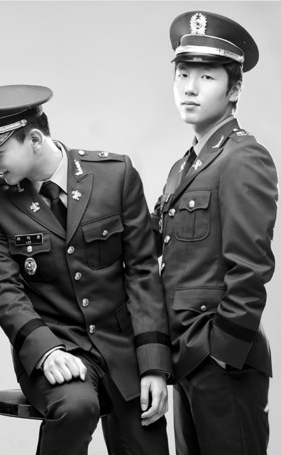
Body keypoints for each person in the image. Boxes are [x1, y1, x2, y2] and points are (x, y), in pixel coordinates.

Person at [0, 85, 172, 455]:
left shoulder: (115, 175)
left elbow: (142, 271)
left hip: (122, 347)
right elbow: (3, 290)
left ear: (34, 139)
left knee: (147, 436)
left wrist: (153, 364)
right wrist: (45, 351)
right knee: (76, 407)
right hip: (54, 344)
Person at [152, 11, 278, 455]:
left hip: (221, 360)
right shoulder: (182, 167)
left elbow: (251, 266)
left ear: (234, 89)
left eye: (206, 77)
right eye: (182, 75)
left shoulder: (244, 158)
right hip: (186, 358)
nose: (189, 88)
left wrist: (222, 351)